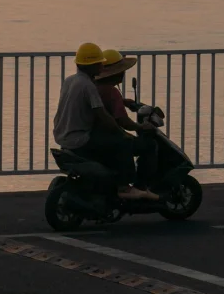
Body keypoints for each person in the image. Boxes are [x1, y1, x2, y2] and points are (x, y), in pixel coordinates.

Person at [52, 43, 156, 198]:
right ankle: (125, 187)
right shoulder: (88, 85)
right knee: (125, 142)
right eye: (99, 63)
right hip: (81, 139)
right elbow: (103, 115)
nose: (102, 65)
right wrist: (125, 132)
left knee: (116, 140)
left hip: (63, 136)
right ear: (92, 65)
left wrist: (123, 102)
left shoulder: (71, 80)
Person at [94, 49, 159, 194]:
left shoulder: (93, 87)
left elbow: (100, 102)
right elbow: (123, 121)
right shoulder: (112, 92)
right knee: (149, 145)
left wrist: (124, 102)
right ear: (118, 72)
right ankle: (140, 186)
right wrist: (140, 126)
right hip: (109, 137)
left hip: (94, 136)